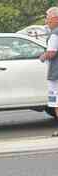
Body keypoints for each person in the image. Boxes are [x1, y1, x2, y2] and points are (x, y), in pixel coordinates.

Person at [40, 7, 58, 137]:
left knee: (57, 102)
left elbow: (51, 53)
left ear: (55, 18)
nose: (46, 21)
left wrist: (42, 56)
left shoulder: (54, 34)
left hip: (56, 74)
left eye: (47, 18)